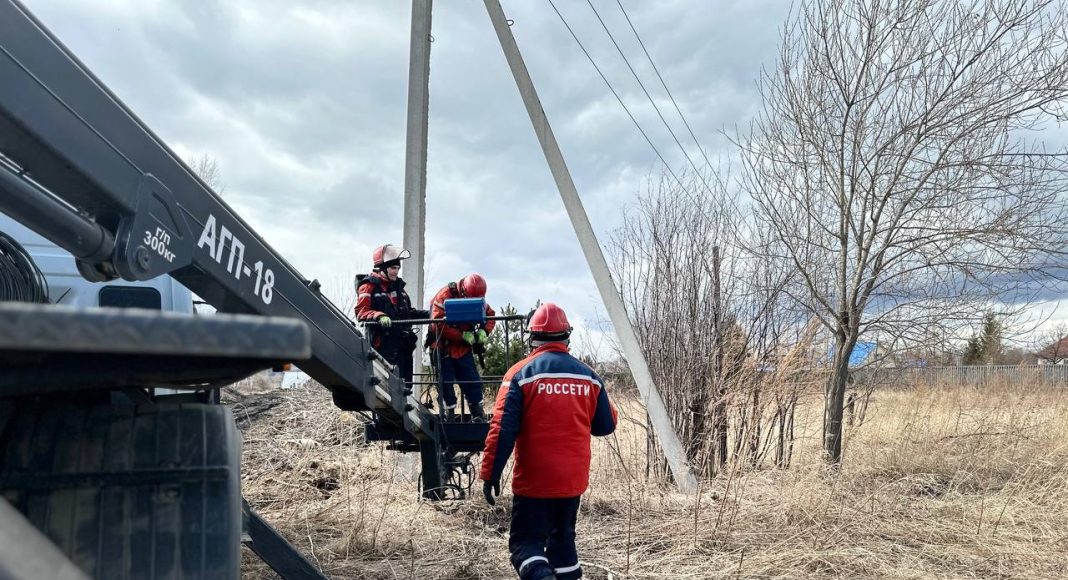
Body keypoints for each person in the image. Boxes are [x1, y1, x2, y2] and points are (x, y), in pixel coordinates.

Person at [480, 303, 618, 580]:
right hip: (572, 483)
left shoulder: (519, 375)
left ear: (532, 337)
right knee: (562, 544)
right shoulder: (589, 376)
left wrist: (490, 473)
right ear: (567, 335)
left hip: (534, 482)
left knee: (524, 545)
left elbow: (502, 429)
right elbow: (606, 425)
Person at [354, 244, 429, 384]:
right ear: (382, 268)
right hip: (384, 348)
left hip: (403, 348)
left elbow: (408, 314)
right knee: (387, 387)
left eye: (398, 268)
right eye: (393, 268)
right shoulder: (368, 286)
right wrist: (379, 315)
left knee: (406, 387)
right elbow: (361, 311)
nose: (396, 271)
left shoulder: (399, 289)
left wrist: (431, 315)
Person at [427, 273, 495, 421]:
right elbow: (437, 323)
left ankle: (478, 415)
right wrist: (461, 335)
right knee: (446, 385)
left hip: (463, 350)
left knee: (473, 382)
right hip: (443, 348)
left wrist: (484, 330)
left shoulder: (477, 297)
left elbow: (490, 315)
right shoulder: (445, 295)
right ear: (464, 291)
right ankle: (449, 416)